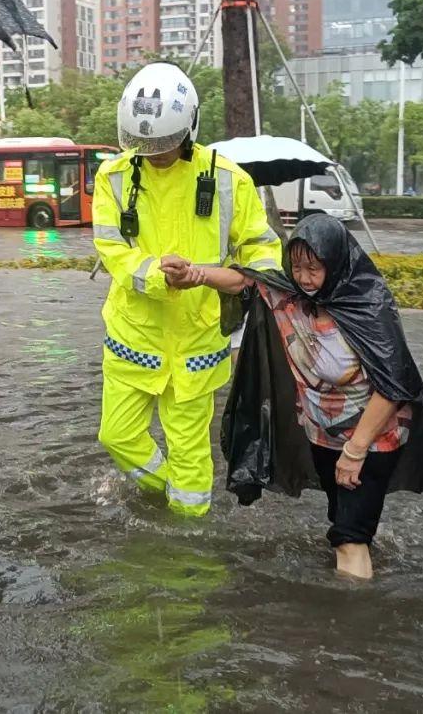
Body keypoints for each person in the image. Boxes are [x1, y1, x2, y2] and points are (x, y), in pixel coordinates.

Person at [92, 62, 281, 517]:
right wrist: (158, 273)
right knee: (116, 436)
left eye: (163, 144)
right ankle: (168, 490)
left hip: (198, 339)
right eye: (144, 145)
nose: (154, 154)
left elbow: (263, 250)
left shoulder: (229, 180)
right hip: (134, 336)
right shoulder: (113, 177)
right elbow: (112, 249)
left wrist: (232, 278)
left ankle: (190, 545)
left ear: (190, 128)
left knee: (191, 451)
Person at [219, 215, 423, 579]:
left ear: (335, 264)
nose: (304, 277)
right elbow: (243, 279)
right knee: (342, 520)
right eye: (297, 266)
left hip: (373, 438)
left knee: (348, 537)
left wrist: (355, 453)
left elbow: (392, 386)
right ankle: (365, 571)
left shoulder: (368, 308)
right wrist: (192, 273)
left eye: (314, 268)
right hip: (323, 434)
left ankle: (353, 623)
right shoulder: (291, 298)